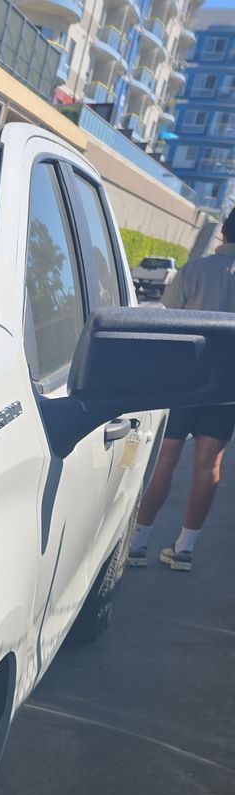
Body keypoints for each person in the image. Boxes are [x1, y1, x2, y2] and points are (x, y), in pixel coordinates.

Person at [128, 210, 235, 572]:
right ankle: (184, 549)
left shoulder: (194, 271)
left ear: (222, 231)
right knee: (209, 465)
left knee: (165, 458)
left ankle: (138, 543)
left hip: (184, 381)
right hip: (227, 387)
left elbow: (166, 323)